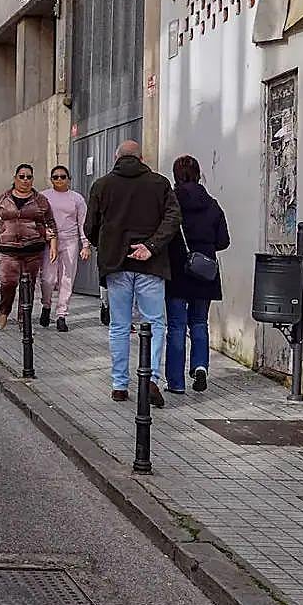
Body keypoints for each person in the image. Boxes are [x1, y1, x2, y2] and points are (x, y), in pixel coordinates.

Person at [84, 141, 181, 407]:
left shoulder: (102, 185)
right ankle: (150, 379)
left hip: (116, 264)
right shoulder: (159, 184)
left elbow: (90, 226)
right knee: (155, 323)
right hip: (151, 264)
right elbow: (173, 219)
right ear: (141, 157)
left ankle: (119, 385)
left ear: (117, 158)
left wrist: (106, 245)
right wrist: (150, 247)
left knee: (119, 326)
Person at [165, 155, 230, 394]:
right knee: (200, 323)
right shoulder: (212, 204)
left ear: (175, 175)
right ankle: (201, 366)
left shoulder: (171, 203)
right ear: (198, 173)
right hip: (205, 272)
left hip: (178, 270)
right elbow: (223, 241)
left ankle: (176, 382)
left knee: (177, 326)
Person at [0, 164, 59, 330]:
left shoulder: (40, 200)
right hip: (9, 250)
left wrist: (53, 246)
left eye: (29, 177)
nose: (25, 180)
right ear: (15, 178)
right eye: (22, 176)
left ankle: (24, 320)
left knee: (28, 286)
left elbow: (51, 223)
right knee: (8, 283)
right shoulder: (3, 198)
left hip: (33, 250)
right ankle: (4, 312)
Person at [39, 165, 91, 332]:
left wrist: (86, 245)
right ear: (51, 179)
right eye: (55, 177)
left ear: (69, 179)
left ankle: (62, 314)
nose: (59, 180)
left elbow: (83, 222)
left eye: (62, 177)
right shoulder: (43, 196)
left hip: (70, 241)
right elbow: (37, 219)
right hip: (49, 243)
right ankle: (46, 305)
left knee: (67, 278)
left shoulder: (77, 199)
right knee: (48, 278)